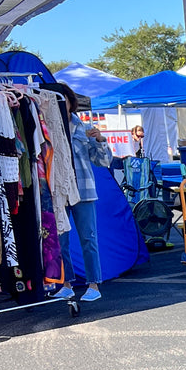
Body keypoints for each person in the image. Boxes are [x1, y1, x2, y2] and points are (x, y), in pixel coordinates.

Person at [54, 99, 112, 303]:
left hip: (84, 190)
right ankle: (66, 284)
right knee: (60, 240)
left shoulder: (84, 128)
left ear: (71, 103)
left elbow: (103, 162)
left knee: (88, 238)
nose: (61, 104)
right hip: (60, 191)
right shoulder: (50, 126)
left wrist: (99, 140)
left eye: (64, 101)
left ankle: (94, 284)